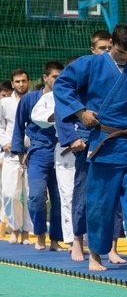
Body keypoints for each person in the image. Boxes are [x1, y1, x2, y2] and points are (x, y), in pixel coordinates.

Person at [53, 24, 127, 273]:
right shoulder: (89, 64)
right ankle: (95, 255)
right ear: (111, 43)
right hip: (104, 144)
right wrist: (80, 112)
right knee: (100, 204)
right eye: (121, 51)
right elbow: (62, 86)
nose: (124, 57)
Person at [55, 30, 115, 261]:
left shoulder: (120, 73)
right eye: (101, 48)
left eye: (109, 48)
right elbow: (63, 108)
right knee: (83, 192)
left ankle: (112, 246)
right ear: (92, 50)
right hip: (86, 140)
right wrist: (72, 136)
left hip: (114, 139)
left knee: (112, 195)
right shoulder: (83, 73)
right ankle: (78, 240)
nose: (106, 53)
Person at [12, 61, 66, 251]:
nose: (58, 80)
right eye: (55, 77)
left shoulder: (65, 97)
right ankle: (40, 234)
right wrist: (20, 152)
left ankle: (56, 239)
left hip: (62, 151)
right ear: (45, 78)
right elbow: (19, 126)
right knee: (36, 196)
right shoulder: (30, 99)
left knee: (59, 198)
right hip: (38, 151)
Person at [1, 70, 33, 244]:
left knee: (30, 194)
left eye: (23, 81)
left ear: (28, 82)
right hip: (11, 153)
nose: (21, 84)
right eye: (17, 81)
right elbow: (0, 125)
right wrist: (4, 142)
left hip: (31, 152)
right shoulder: (5, 103)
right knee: (10, 193)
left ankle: (26, 232)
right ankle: (14, 228)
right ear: (12, 84)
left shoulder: (35, 99)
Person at [0, 81, 14, 238]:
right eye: (3, 95)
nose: (5, 98)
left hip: (7, 155)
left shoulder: (9, 111)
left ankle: (7, 226)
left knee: (7, 192)